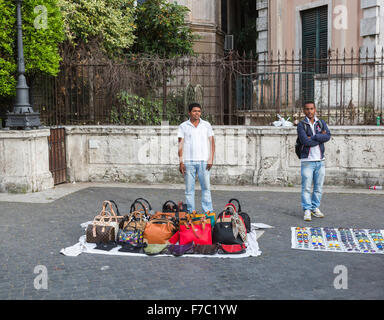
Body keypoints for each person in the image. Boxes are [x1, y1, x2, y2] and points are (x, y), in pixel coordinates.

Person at [178, 103, 215, 213]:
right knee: (189, 190)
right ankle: (191, 213)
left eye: (199, 111)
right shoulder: (183, 126)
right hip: (188, 162)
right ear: (189, 112)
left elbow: (212, 143)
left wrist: (211, 159)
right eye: (194, 111)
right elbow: (180, 144)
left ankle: (207, 212)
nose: (197, 113)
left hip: (204, 161)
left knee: (206, 189)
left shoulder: (206, 125)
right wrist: (181, 162)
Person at [297, 101, 331, 221]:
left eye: (311, 109)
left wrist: (314, 137)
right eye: (307, 109)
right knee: (306, 187)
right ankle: (307, 209)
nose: (309, 111)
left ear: (315, 109)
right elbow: (305, 141)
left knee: (318, 187)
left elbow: (328, 136)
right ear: (304, 110)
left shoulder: (321, 123)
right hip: (307, 161)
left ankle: (315, 208)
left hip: (320, 161)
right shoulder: (301, 125)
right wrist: (319, 137)